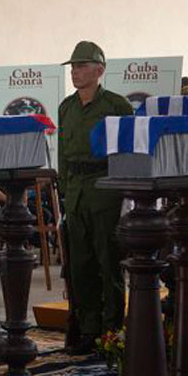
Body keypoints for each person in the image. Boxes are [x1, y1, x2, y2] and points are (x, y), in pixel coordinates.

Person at [58, 40, 133, 354]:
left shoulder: (116, 106)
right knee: (80, 265)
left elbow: (128, 151)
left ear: (99, 70)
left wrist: (128, 195)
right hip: (75, 191)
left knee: (108, 262)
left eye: (82, 65)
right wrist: (63, 193)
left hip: (105, 189)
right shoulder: (67, 107)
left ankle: (112, 332)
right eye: (73, 66)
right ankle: (88, 331)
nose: (75, 72)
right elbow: (62, 153)